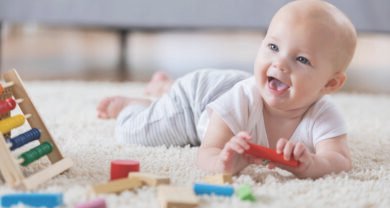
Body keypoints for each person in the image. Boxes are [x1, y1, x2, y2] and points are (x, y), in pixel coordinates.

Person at [97, 0, 357, 179]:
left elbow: (339, 159)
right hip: (196, 102)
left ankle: (165, 87)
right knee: (133, 133)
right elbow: (206, 153)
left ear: (330, 84)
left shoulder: (323, 114)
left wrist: (313, 165)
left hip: (229, 85)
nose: (279, 63)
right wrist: (223, 163)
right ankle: (136, 104)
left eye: (301, 60)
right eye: (273, 48)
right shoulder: (240, 100)